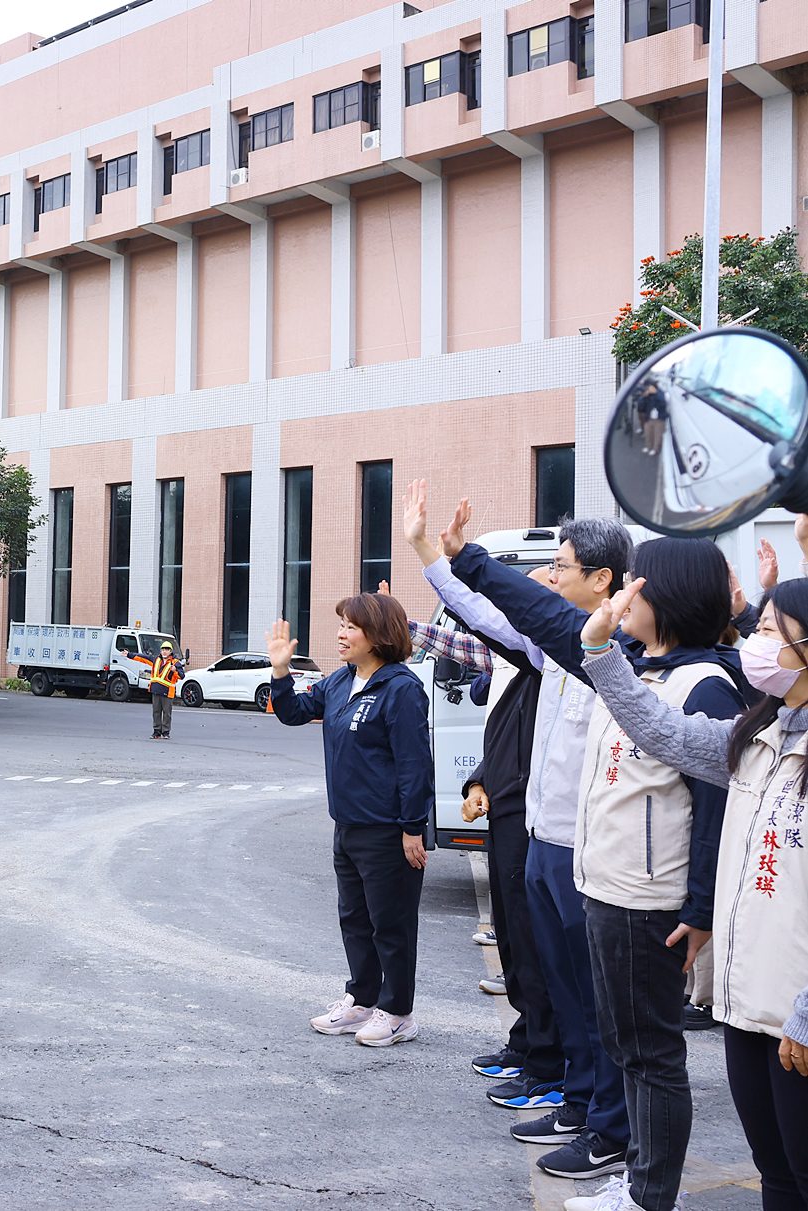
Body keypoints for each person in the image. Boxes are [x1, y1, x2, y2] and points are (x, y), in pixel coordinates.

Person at [448, 517, 746, 1211]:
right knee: (624, 1043)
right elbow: (545, 615)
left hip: (652, 901)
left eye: (640, 581)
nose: (626, 594)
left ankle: (645, 1191)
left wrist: (698, 910)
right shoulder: (635, 668)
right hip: (606, 888)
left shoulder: (703, 686)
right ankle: (634, 1175)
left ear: (667, 595)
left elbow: (711, 811)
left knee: (649, 1056)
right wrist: (462, 559)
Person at [416, 498, 636, 1179]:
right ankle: (577, 1094)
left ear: (600, 579)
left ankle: (605, 1114)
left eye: (561, 565)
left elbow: (514, 608)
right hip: (543, 834)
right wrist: (435, 557)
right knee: (564, 982)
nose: (548, 573)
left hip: (582, 845)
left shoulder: (608, 654)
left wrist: (462, 559)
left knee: (592, 993)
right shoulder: (552, 649)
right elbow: (490, 616)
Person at [578, 575, 808, 1211]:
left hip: (797, 1013)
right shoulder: (758, 736)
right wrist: (600, 653)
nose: (753, 645)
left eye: (768, 631)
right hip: (745, 1003)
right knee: (778, 1173)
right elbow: (664, 732)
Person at [397, 484, 568, 1127]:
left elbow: (483, 617)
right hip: (515, 817)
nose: (544, 580)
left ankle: (551, 1067)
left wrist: (440, 558)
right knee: (518, 942)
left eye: (557, 569)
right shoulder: (532, 659)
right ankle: (531, 1048)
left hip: (549, 829)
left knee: (539, 946)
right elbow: (469, 629)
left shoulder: (573, 656)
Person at [269, 593, 432, 1048]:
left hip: (388, 830)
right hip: (348, 825)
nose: (340, 634)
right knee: (355, 919)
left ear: (377, 634)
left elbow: (414, 764)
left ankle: (398, 1011)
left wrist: (412, 827)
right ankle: (361, 998)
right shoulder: (341, 682)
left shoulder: (401, 688)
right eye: (340, 624)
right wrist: (281, 671)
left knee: (391, 924)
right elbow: (293, 713)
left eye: (350, 627)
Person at [137, 640, 184, 740]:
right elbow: (142, 658)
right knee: (156, 712)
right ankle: (156, 732)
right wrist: (128, 654)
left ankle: (165, 732)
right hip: (156, 690)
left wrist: (175, 670)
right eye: (163, 649)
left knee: (167, 713)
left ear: (170, 651)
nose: (164, 651)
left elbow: (182, 676)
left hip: (167, 692)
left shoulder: (175, 663)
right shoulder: (155, 660)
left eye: (167, 650)